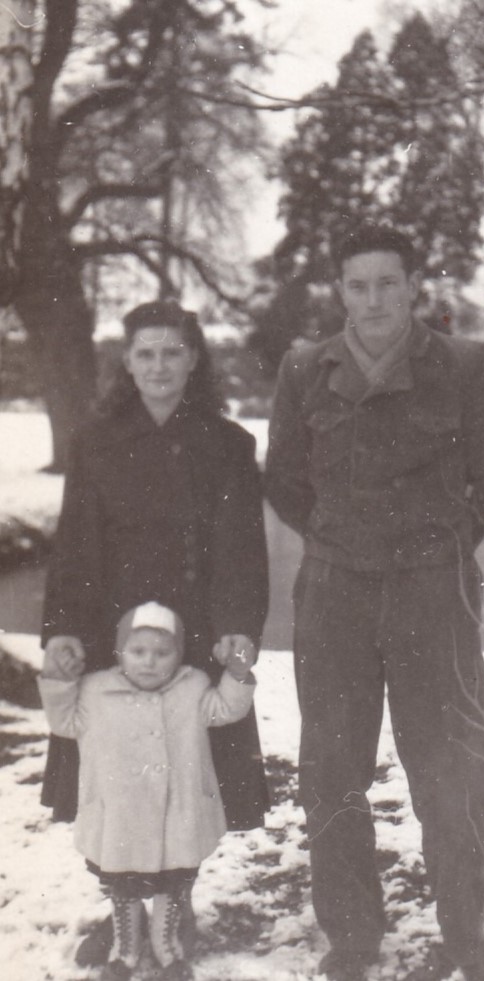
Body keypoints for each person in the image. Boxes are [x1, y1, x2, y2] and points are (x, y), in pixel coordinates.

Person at [265, 222, 484, 981]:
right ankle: (351, 935)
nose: (373, 299)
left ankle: (469, 933)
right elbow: (284, 481)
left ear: (413, 287)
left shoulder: (466, 365)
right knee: (331, 767)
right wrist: (342, 541)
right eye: (357, 285)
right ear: (340, 292)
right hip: (335, 592)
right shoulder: (304, 367)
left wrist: (439, 543)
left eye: (387, 283)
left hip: (432, 592)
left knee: (453, 768)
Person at [40, 299, 269, 962]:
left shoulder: (228, 444)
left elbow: (241, 549)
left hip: (196, 634)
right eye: (146, 353)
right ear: (128, 361)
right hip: (114, 636)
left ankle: (175, 903)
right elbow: (74, 544)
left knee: (182, 776)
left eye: (172, 352)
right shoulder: (95, 441)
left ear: (193, 359)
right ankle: (125, 911)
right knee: (115, 777)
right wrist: (63, 630)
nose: (159, 365)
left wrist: (236, 627)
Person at [38, 600, 257, 981]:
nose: (149, 662)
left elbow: (226, 708)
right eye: (137, 651)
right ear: (119, 651)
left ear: (179, 654)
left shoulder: (192, 688)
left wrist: (238, 670)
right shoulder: (94, 691)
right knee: (123, 889)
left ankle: (167, 948)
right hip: (118, 822)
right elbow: (64, 722)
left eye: (162, 653)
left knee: (172, 886)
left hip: (177, 817)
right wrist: (58, 680)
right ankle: (125, 950)